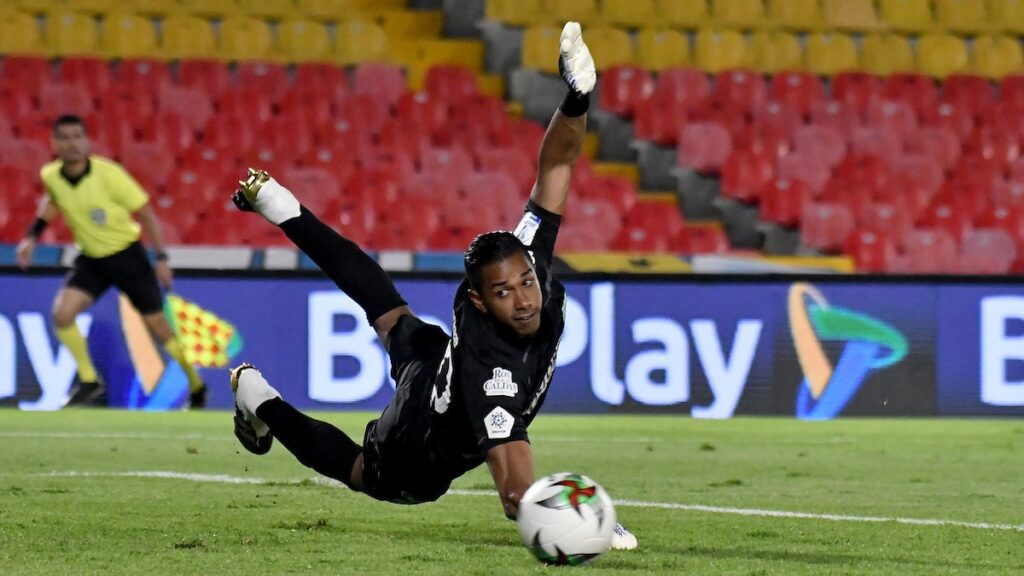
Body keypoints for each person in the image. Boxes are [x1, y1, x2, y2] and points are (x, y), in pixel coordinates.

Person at [228, 23, 636, 549]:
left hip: (434, 364)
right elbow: (515, 493)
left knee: (390, 314)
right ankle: (258, 397)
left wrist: (577, 99)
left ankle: (284, 208)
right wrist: (582, 520)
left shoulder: (522, 262)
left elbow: (556, 164)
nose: (524, 298)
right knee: (364, 472)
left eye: (526, 282)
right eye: (505, 293)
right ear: (478, 303)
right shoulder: (495, 377)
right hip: (417, 443)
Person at [15, 114, 208, 408]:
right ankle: (90, 382)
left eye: (78, 136)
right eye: (65, 137)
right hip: (92, 259)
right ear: (54, 143)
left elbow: (146, 214)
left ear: (87, 140)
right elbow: (53, 201)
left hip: (127, 256)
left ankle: (196, 386)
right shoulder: (51, 175)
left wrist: (162, 257)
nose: (72, 143)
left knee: (158, 327)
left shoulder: (110, 174)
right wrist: (31, 236)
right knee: (62, 314)